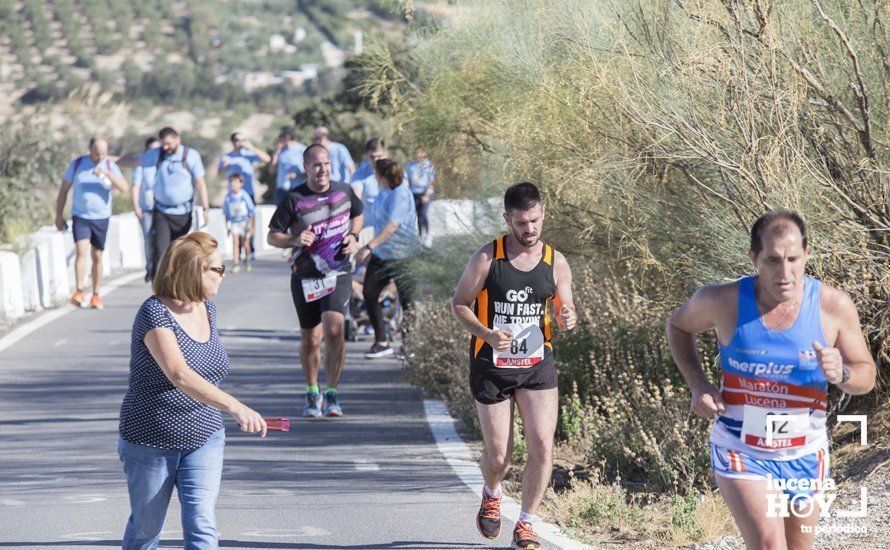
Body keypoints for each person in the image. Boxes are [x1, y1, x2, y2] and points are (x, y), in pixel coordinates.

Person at [666, 210, 876, 550]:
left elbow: (866, 375)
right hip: (740, 447)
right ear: (754, 259)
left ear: (807, 254)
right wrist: (698, 384)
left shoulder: (832, 307)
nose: (785, 272)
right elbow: (678, 326)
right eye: (773, 260)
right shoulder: (723, 301)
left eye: (793, 259)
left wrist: (843, 373)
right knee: (768, 545)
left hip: (805, 451)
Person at [118, 232, 267, 549]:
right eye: (217, 269)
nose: (223, 275)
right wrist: (236, 406)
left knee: (202, 527)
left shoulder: (207, 308)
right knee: (146, 530)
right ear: (192, 270)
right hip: (151, 440)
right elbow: (179, 374)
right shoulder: (154, 312)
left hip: (205, 436)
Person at [450, 182, 576, 549]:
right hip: (491, 366)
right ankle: (492, 491)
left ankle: (526, 522)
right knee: (500, 455)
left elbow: (564, 309)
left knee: (542, 445)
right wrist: (487, 334)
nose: (529, 229)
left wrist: (568, 318)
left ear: (543, 214)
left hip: (537, 365)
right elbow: (459, 304)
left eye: (534, 221)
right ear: (507, 220)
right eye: (521, 223)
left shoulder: (556, 262)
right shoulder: (487, 259)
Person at [267, 144, 363, 418]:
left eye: (326, 164)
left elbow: (357, 214)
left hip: (339, 270)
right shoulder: (294, 198)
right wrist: (293, 239)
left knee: (335, 329)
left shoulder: (344, 191)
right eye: (316, 165)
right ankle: (312, 392)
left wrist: (354, 236)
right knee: (311, 337)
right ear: (306, 167)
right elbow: (272, 236)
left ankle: (332, 393)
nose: (322, 170)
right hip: (305, 276)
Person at [355, 159, 420, 359]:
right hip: (383, 254)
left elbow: (392, 226)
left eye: (376, 174)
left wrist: (368, 246)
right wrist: (352, 234)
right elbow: (370, 218)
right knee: (369, 292)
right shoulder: (382, 193)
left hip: (403, 255)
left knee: (407, 300)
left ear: (381, 176)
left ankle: (409, 345)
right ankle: (382, 341)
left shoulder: (401, 193)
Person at [54, 136, 129, 309]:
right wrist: (59, 215)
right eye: (97, 153)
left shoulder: (110, 165)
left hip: (101, 217)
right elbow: (64, 190)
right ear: (90, 151)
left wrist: (107, 172)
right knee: (81, 250)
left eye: (104, 153)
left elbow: (124, 187)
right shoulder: (78, 164)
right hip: (81, 216)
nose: (100, 156)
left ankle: (96, 294)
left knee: (97, 256)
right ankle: (79, 290)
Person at [144, 127, 209, 280]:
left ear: (178, 140)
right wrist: (106, 158)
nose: (166, 148)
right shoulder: (157, 154)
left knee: (180, 252)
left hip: (183, 213)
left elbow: (200, 182)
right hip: (161, 212)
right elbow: (136, 161)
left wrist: (205, 208)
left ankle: (178, 287)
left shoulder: (190, 156)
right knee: (162, 253)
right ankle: (161, 291)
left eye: (169, 144)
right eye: (163, 144)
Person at [217, 131, 271, 261]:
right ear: (232, 142)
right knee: (236, 224)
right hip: (234, 197)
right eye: (237, 140)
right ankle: (239, 252)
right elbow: (219, 175)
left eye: (242, 139)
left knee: (249, 223)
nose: (240, 142)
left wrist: (251, 147)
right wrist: (224, 167)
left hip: (248, 194)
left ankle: (250, 250)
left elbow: (267, 159)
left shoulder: (249, 155)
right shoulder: (227, 157)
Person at [132, 136, 161, 282]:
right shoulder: (141, 164)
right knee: (149, 238)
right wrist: (136, 206)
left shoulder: (164, 162)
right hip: (147, 208)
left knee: (161, 240)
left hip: (162, 208)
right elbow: (136, 186)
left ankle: (161, 268)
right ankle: (150, 267)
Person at [222, 173, 256, 273]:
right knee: (235, 242)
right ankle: (236, 263)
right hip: (234, 222)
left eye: (236, 182)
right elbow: (226, 213)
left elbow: (251, 212)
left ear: (241, 183)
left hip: (244, 222)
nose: (233, 184)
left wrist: (252, 226)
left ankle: (247, 259)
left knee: (245, 242)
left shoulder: (244, 195)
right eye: (231, 182)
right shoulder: (228, 197)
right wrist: (227, 226)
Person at [405, 146, 436, 243]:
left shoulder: (429, 165)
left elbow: (431, 182)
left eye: (420, 152)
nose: (417, 155)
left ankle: (427, 233)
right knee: (417, 215)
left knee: (423, 213)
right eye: (416, 152)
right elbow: (409, 181)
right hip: (414, 193)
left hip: (425, 192)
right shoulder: (411, 166)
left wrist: (426, 195)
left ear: (424, 153)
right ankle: (419, 235)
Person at [269, 126, 306, 206]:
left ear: (288, 136)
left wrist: (297, 175)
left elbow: (309, 170)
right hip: (281, 188)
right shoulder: (279, 150)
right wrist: (276, 153)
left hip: (297, 188)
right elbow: (271, 171)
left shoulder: (301, 149)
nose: (280, 138)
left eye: (281, 136)